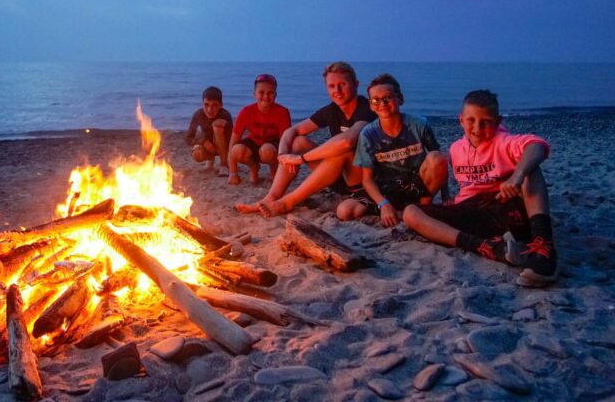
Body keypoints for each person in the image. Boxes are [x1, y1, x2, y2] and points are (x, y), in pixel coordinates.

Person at [403, 89, 558, 287]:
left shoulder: (504, 142)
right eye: (471, 120)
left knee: (531, 170)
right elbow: (462, 181)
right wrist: (447, 196)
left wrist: (516, 177)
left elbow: (537, 146)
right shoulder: (456, 148)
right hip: (473, 211)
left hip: (504, 207)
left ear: (498, 121)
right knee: (410, 212)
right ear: (461, 120)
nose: (477, 127)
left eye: (485, 121)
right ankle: (488, 248)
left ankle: (543, 247)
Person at [235, 61, 375, 216]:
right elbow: (292, 130)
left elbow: (346, 141)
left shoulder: (367, 108)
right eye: (332, 86)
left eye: (343, 84)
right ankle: (271, 197)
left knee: (340, 149)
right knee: (298, 141)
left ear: (355, 84)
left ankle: (287, 202)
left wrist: (301, 159)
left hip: (362, 181)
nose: (338, 91)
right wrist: (282, 155)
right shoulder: (332, 110)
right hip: (336, 178)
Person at [337, 73, 448, 225]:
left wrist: (446, 196)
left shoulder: (419, 125)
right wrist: (383, 204)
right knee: (345, 211)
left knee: (437, 157)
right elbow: (367, 179)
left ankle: (423, 208)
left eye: (387, 97)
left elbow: (440, 163)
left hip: (416, 186)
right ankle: (394, 209)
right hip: (386, 189)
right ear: (371, 105)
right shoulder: (368, 134)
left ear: (400, 98)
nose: (382, 103)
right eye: (376, 100)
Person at [228, 74, 291, 185]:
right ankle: (254, 167)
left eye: (270, 93)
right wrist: (233, 173)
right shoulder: (246, 111)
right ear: (254, 94)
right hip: (254, 142)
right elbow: (233, 142)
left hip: (272, 147)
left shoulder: (283, 112)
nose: (266, 96)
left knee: (267, 150)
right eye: (261, 92)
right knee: (237, 150)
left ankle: (273, 170)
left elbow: (285, 144)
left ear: (275, 95)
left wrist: (283, 168)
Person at [185, 86, 233, 176]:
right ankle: (210, 162)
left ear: (221, 105)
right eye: (206, 105)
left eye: (214, 105)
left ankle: (224, 165)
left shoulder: (225, 115)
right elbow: (188, 138)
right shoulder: (198, 114)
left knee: (217, 125)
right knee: (196, 154)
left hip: (224, 147)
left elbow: (233, 138)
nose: (209, 110)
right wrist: (203, 142)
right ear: (202, 103)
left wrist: (226, 125)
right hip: (208, 146)